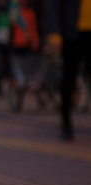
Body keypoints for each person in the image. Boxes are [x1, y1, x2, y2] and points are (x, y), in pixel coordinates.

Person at [46, 0, 91, 140]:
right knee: (69, 77)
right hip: (72, 32)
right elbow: (53, 6)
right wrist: (54, 34)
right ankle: (66, 123)